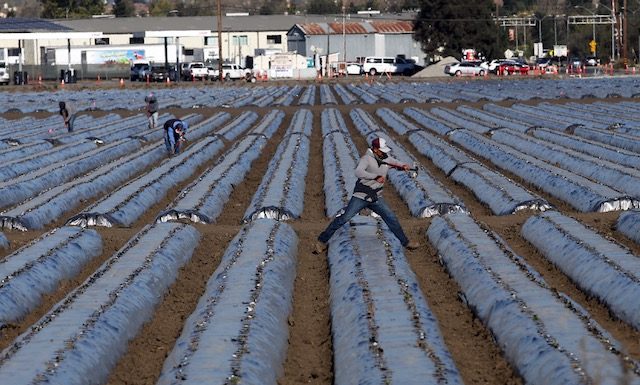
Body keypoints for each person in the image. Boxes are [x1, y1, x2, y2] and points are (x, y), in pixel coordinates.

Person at [315, 137, 420, 253]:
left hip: (376, 197)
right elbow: (358, 172)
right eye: (382, 150)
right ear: (375, 149)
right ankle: (321, 241)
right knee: (344, 218)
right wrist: (375, 177)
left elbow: (395, 163)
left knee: (391, 218)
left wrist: (406, 166)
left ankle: (406, 242)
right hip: (361, 195)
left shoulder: (385, 158)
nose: (384, 153)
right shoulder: (366, 159)